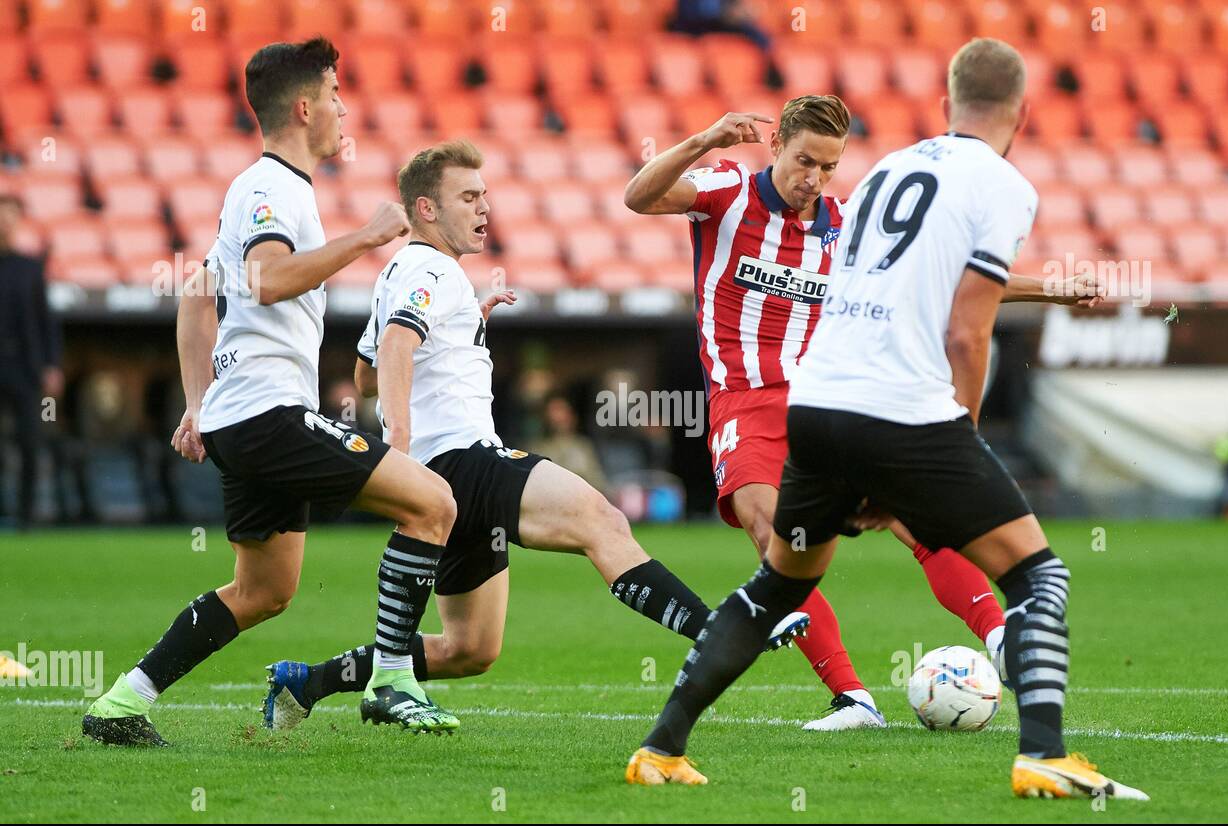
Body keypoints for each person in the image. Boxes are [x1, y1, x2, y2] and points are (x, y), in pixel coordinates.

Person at [625, 39, 1147, 801]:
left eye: (829, 165)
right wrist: (961, 434)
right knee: (1037, 570)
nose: (816, 178)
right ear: (1023, 114)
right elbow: (964, 319)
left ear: (942, 106)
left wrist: (1052, 289)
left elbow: (939, 283)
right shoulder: (734, 192)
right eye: (806, 160)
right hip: (777, 398)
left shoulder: (866, 196)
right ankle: (1028, 742)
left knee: (785, 578)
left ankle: (663, 745)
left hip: (819, 400)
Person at [261, 141, 807, 730]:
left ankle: (306, 682)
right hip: (461, 463)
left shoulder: (402, 273)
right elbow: (396, 347)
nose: (483, 207)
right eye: (468, 197)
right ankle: (723, 630)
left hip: (443, 481)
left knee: (469, 649)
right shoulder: (432, 268)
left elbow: (367, 372)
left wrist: (464, 328)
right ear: (425, 209)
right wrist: (399, 443)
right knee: (603, 522)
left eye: (485, 195)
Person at [83, 37, 461, 745]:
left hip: (245, 416)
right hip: (269, 416)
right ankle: (392, 682)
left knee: (266, 590)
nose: (345, 108)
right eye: (337, 93)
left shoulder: (263, 190)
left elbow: (199, 293)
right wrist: (367, 236)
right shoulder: (269, 188)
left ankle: (119, 704)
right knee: (433, 501)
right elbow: (268, 277)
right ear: (304, 106)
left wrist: (199, 404)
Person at [0, 193, 62, 528]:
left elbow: (45, 320)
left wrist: (51, 364)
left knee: (28, 440)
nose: (5, 223)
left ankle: (25, 515)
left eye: (11, 216)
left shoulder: (29, 268)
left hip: (24, 367)